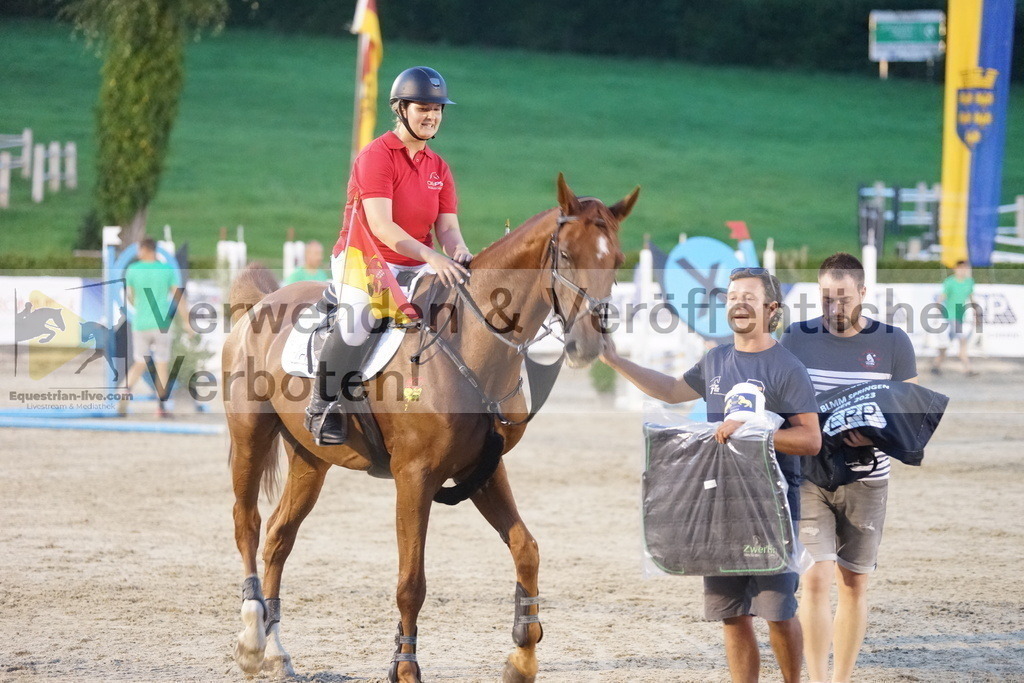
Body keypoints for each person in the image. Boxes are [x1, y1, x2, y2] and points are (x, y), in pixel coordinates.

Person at [602, 268, 821, 683]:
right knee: (732, 615)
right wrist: (614, 359)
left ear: (771, 309)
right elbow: (670, 391)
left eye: (749, 297)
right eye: (733, 296)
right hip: (720, 503)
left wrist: (757, 431)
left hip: (771, 506)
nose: (738, 303)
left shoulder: (787, 367)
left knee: (777, 611)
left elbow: (810, 440)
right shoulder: (717, 359)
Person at [305, 66, 473, 445]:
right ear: (400, 109)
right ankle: (322, 406)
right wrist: (432, 257)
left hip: (416, 262)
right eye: (423, 108)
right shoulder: (376, 157)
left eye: (438, 109)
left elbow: (447, 227)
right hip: (364, 258)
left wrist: (458, 250)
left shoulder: (439, 167)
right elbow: (381, 226)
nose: (432, 116)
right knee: (360, 318)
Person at [780, 252, 917, 683]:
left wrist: (877, 434)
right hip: (809, 476)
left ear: (863, 293)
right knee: (816, 578)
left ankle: (841, 679)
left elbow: (910, 417)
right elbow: (778, 401)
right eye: (826, 298)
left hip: (868, 478)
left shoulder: (894, 343)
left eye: (843, 298)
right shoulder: (795, 338)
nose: (834, 308)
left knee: (853, 585)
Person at [121, 237, 185, 418]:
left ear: (144, 249)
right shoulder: (167, 270)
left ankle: (124, 393)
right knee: (162, 365)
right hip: (162, 324)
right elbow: (178, 297)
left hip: (141, 323)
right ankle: (161, 407)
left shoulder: (132, 270)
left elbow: (131, 297)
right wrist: (187, 321)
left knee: (140, 362)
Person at [931, 260, 978, 377]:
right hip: (950, 315)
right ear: (955, 269)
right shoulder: (950, 282)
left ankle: (936, 365)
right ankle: (968, 368)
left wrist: (976, 312)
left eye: (964, 268)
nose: (962, 271)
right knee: (962, 339)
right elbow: (942, 296)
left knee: (947, 344)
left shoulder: (969, 282)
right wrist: (936, 311)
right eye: (960, 268)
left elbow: (972, 298)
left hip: (960, 316)